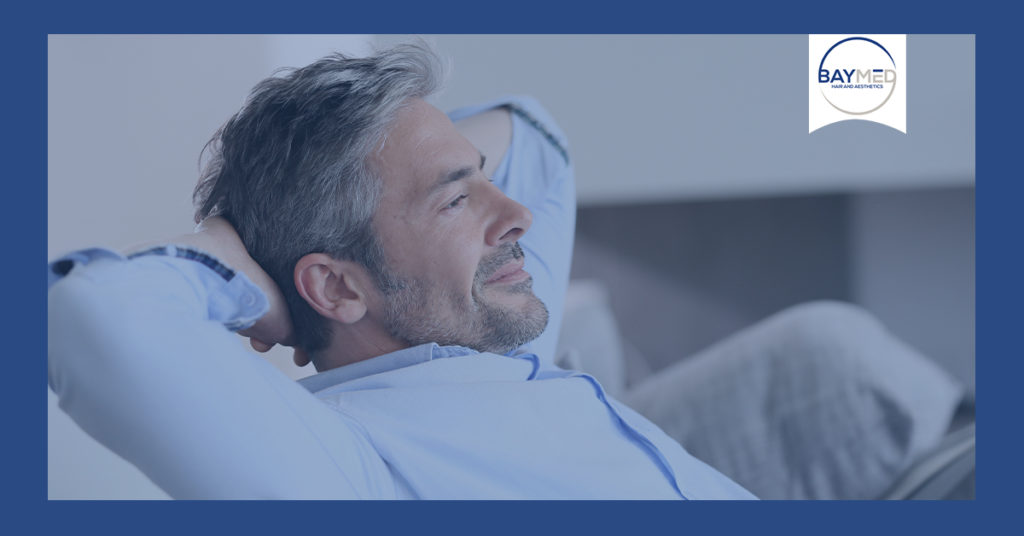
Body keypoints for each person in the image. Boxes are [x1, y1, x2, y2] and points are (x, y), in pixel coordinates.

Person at [47, 43, 762, 500]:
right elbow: (91, 313)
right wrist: (235, 264)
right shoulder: (350, 468)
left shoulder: (491, 330)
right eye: (457, 200)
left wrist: (426, 158)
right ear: (337, 287)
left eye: (481, 178)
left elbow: (536, 133)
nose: (517, 215)